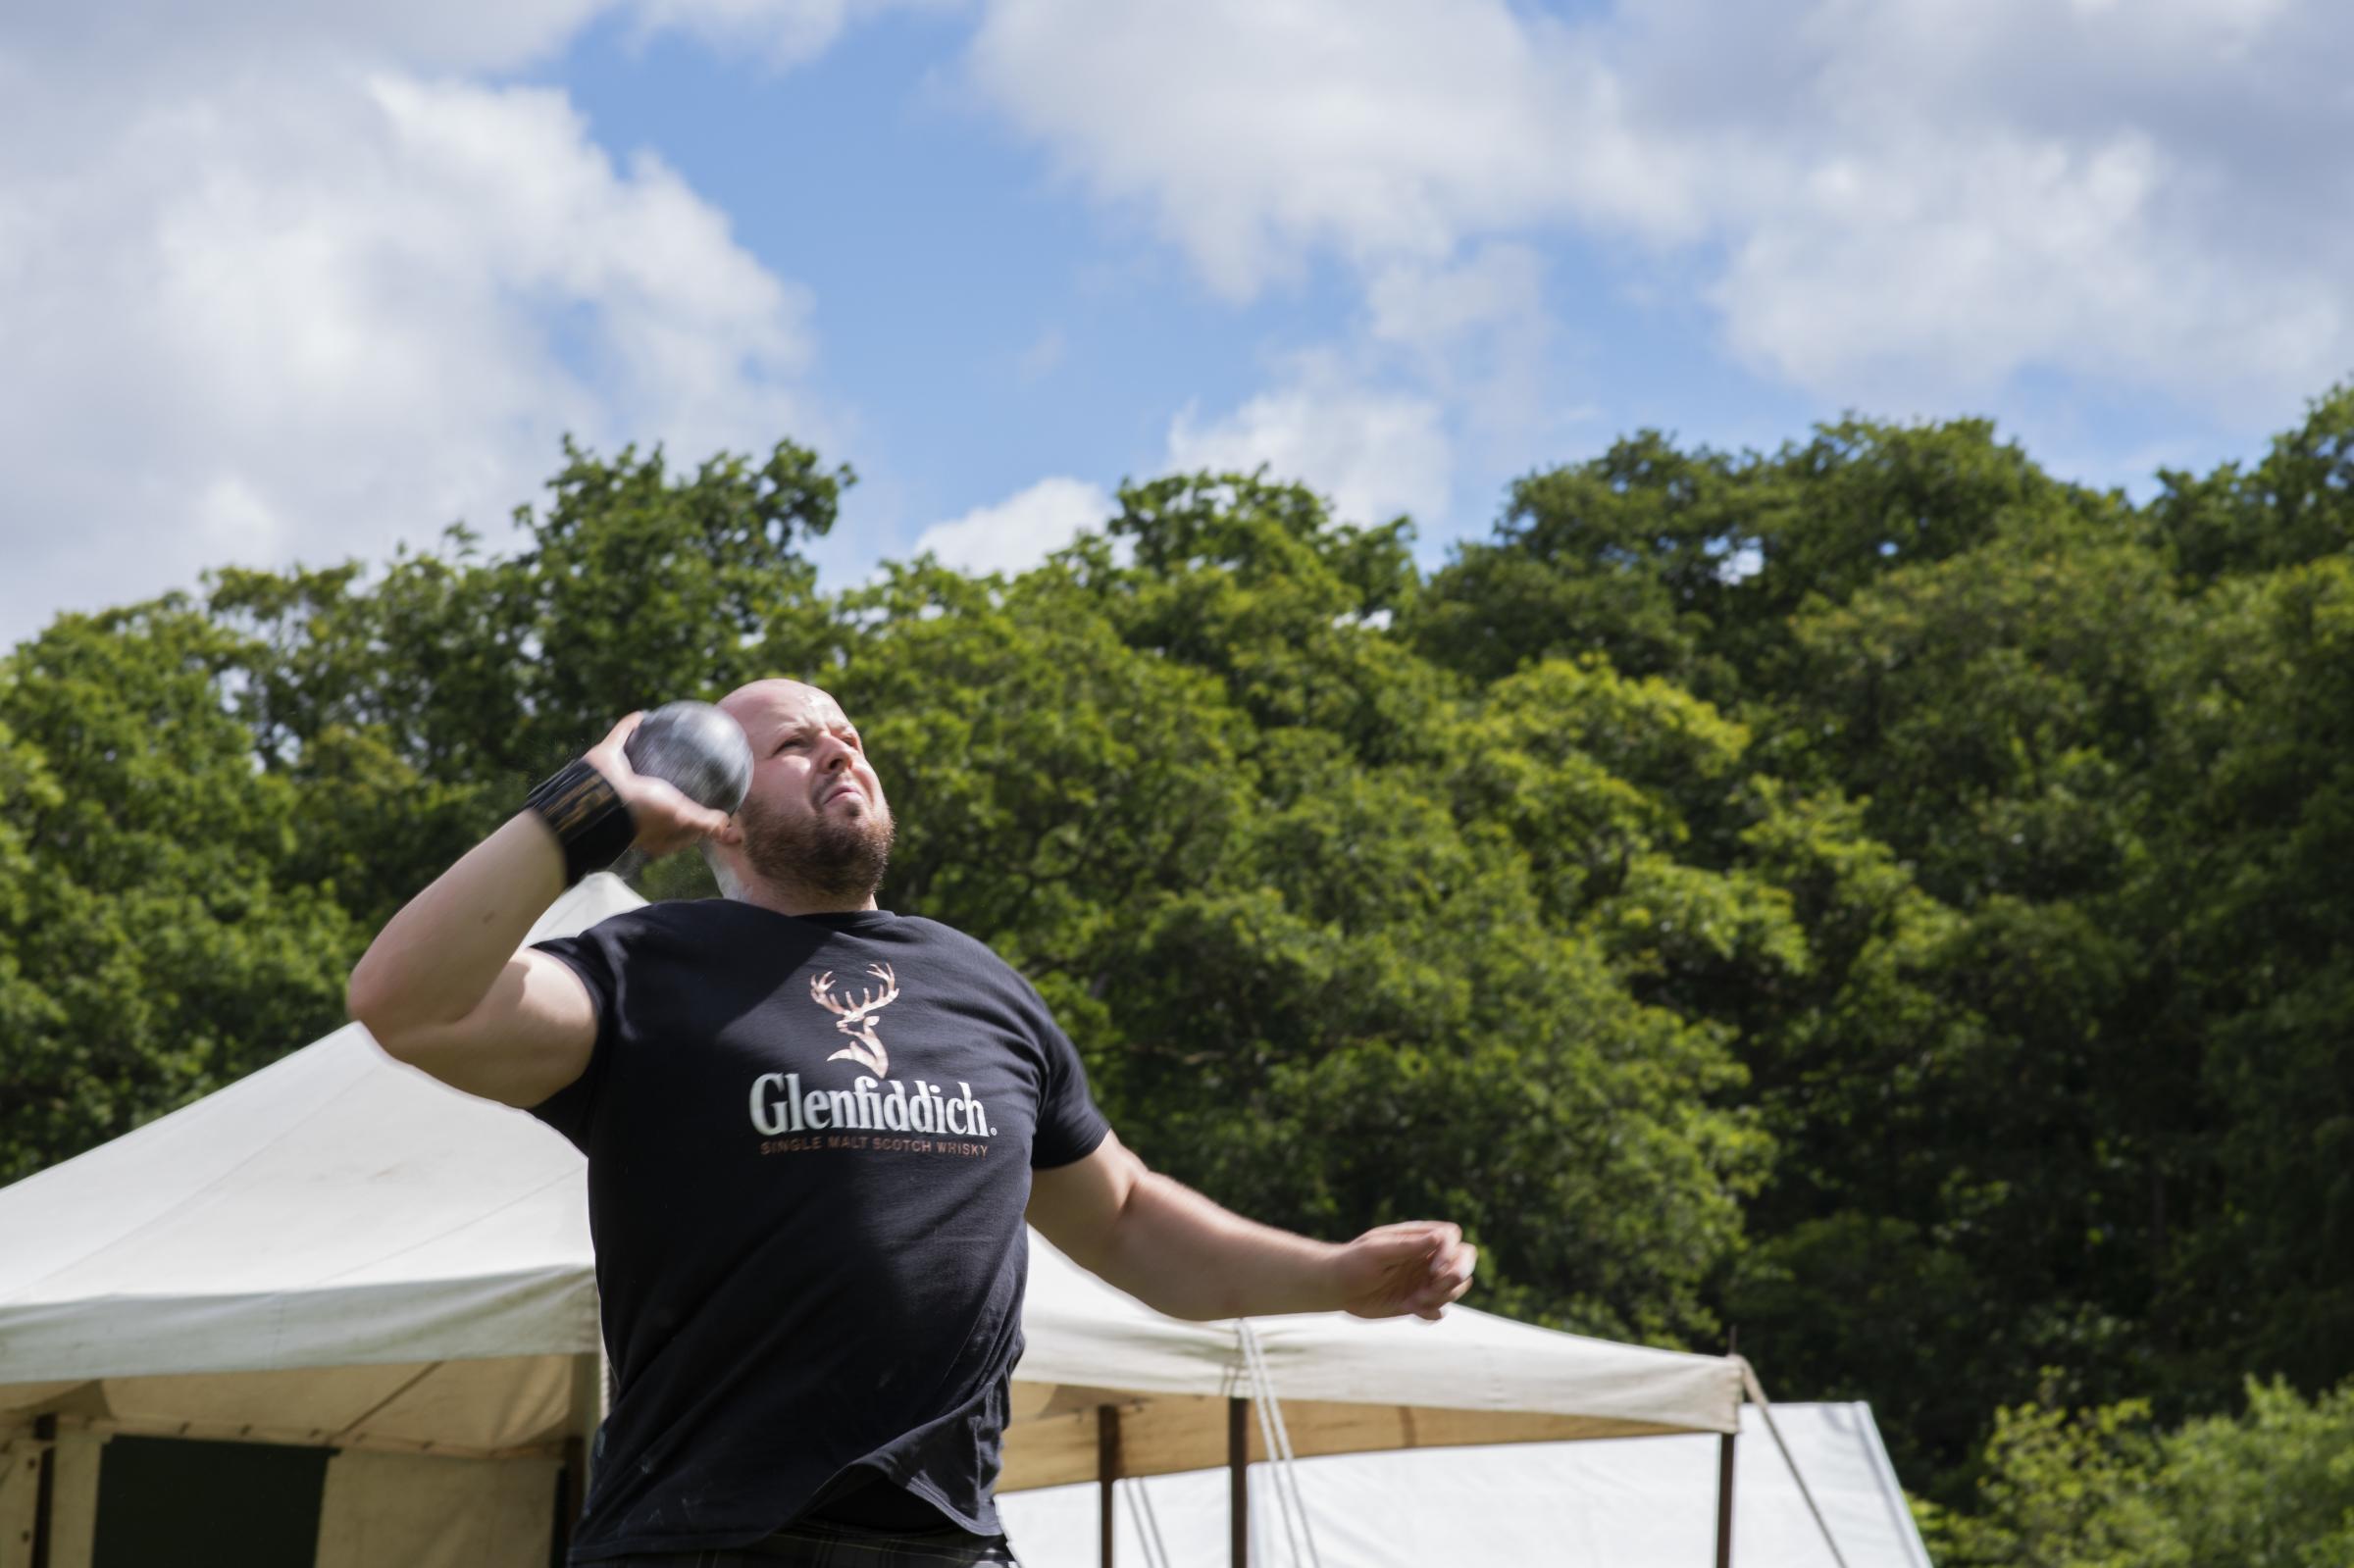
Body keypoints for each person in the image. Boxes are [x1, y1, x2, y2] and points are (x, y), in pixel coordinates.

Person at [346, 679, 1478, 1567]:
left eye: (848, 734)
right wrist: (586, 808)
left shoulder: (980, 987)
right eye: (794, 744)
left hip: (950, 1542)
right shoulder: (646, 968)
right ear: (717, 817)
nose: (840, 748)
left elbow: (1129, 1221)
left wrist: (1336, 1276)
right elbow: (404, 1001)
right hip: (701, 1538)